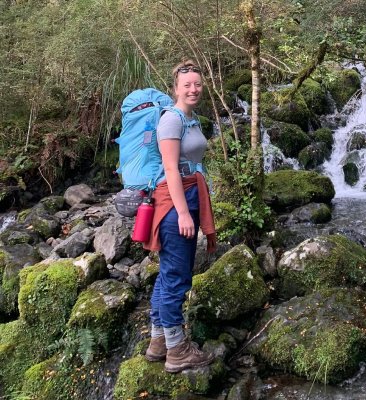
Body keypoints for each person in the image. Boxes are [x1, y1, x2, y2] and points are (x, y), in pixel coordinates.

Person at [142, 60, 217, 373]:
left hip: (188, 194)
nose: (193, 89)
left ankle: (159, 341)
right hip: (176, 202)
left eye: (197, 84)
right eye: (187, 85)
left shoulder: (191, 119)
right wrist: (184, 213)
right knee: (177, 277)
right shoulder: (171, 120)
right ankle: (177, 350)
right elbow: (171, 169)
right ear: (175, 88)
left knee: (167, 273)